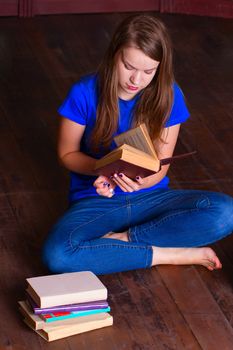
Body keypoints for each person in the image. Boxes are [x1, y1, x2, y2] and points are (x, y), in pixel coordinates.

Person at [42, 14, 233, 275]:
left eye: (148, 71)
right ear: (114, 55)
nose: (137, 80)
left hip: (151, 199)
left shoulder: (169, 95)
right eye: (129, 66)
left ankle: (122, 242)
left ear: (160, 68)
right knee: (58, 255)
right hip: (96, 201)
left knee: (226, 213)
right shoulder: (85, 91)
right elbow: (67, 153)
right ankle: (168, 254)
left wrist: (142, 181)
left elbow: (160, 167)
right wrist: (101, 169)